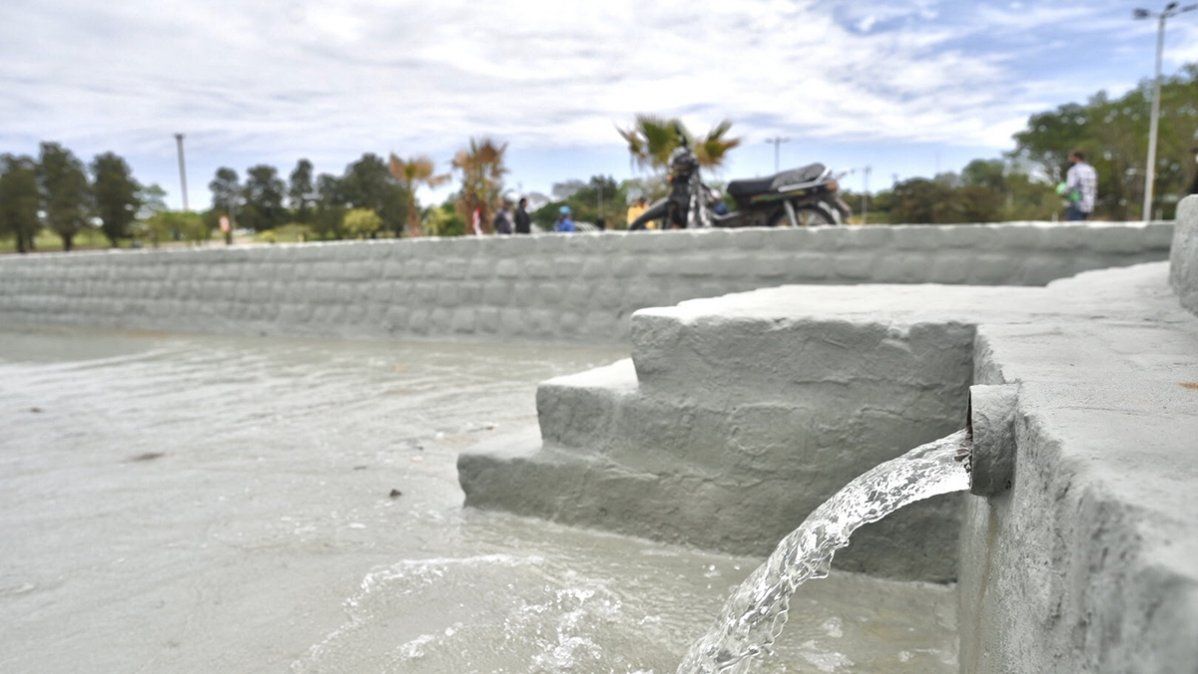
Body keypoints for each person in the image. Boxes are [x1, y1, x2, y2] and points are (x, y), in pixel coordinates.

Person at [1062, 150, 1097, 221]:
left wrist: (1063, 192)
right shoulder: (1091, 169)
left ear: (1076, 158)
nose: (1069, 160)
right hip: (1089, 204)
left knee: (1073, 230)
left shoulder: (1074, 170)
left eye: (1070, 158)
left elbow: (1070, 186)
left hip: (1076, 204)